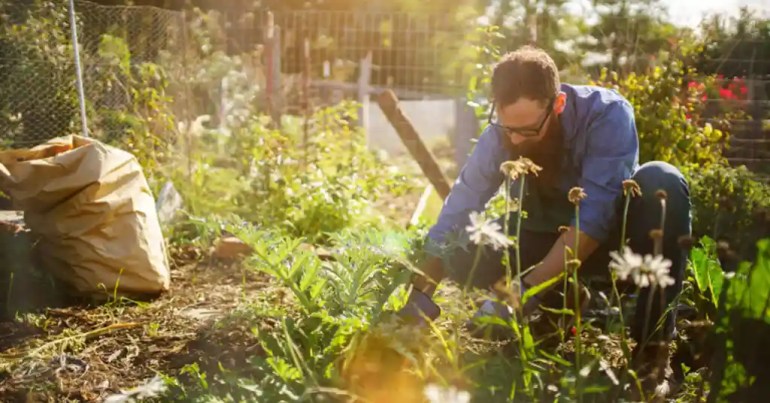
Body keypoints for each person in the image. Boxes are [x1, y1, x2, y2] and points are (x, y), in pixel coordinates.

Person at [396, 46, 692, 397]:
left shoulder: (607, 115)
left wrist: (521, 292)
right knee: (461, 249)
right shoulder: (501, 133)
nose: (516, 140)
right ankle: (560, 305)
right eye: (509, 129)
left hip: (612, 246)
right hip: (541, 239)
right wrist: (419, 295)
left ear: (558, 105)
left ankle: (651, 356)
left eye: (529, 130)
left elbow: (594, 219)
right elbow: (460, 207)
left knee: (663, 182)